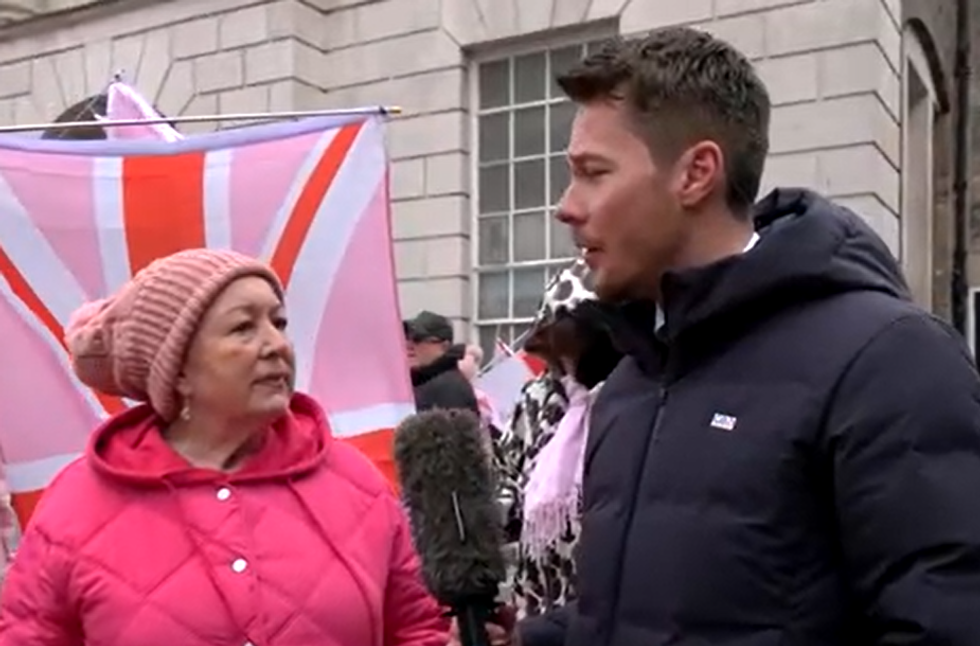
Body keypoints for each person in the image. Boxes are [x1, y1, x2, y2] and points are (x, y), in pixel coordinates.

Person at [453, 26, 980, 646]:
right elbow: (651, 609)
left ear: (696, 173)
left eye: (593, 172)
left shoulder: (891, 361)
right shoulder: (629, 383)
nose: (566, 206)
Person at [0, 249, 448, 646]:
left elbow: (415, 629)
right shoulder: (79, 503)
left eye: (278, 322)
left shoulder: (353, 481)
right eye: (242, 328)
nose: (276, 345)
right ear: (176, 370)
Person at [494, 259, 621, 621]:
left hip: (607, 608)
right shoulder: (537, 400)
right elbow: (508, 479)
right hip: (536, 607)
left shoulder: (633, 396)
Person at [404, 310, 479, 415]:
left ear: (444, 346)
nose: (409, 345)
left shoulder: (449, 387)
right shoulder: (422, 383)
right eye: (406, 338)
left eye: (418, 339)